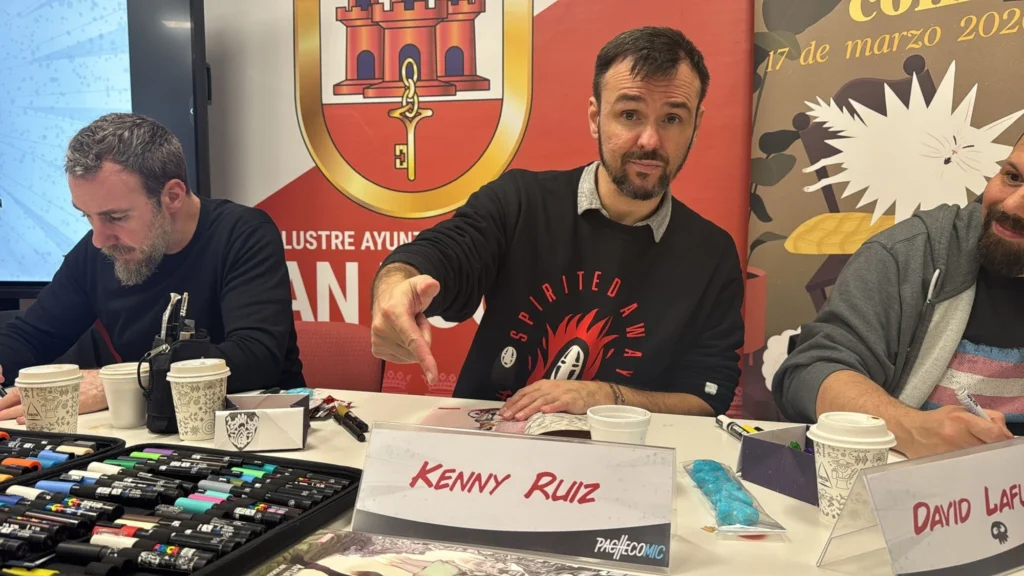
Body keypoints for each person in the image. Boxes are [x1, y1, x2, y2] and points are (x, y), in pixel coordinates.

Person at [370, 27, 745, 421]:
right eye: (629, 115)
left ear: (696, 125)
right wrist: (395, 287)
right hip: (489, 444)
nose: (650, 140)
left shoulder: (711, 254)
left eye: (672, 118)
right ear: (596, 118)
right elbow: (444, 253)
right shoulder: (519, 201)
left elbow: (707, 397)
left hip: (625, 451)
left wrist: (605, 396)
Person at [0, 113, 303, 422]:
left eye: (116, 217)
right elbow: (32, 336)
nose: (99, 239)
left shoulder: (243, 235)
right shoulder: (100, 250)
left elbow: (255, 358)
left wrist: (123, 381)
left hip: (259, 428)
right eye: (86, 216)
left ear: (172, 196)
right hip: (148, 429)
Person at [774, 134, 1024, 458]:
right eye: (1012, 177)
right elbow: (809, 373)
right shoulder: (908, 254)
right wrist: (910, 427)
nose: (1011, 206)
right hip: (914, 483)